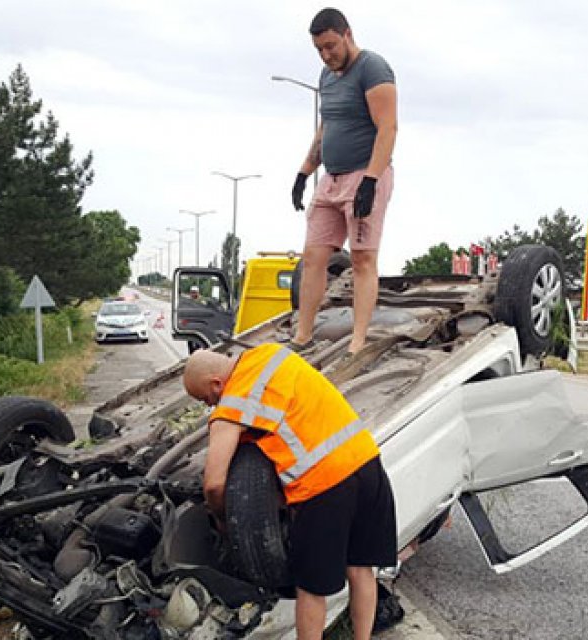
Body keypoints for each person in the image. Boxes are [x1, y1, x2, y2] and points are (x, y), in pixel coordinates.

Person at [183, 345, 397, 640]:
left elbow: (214, 484)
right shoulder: (270, 354)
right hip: (366, 461)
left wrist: (222, 519)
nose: (210, 406)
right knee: (361, 569)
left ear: (216, 384)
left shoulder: (233, 401)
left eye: (206, 399)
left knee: (310, 588)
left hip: (324, 483)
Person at [289, 7, 398, 356]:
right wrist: (304, 171)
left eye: (331, 46)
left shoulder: (373, 68)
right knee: (312, 256)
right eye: (319, 48)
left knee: (363, 259)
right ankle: (302, 335)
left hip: (364, 175)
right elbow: (328, 126)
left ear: (347, 34)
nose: (326, 54)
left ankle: (358, 340)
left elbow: (388, 127)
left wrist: (370, 180)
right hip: (331, 180)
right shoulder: (327, 76)